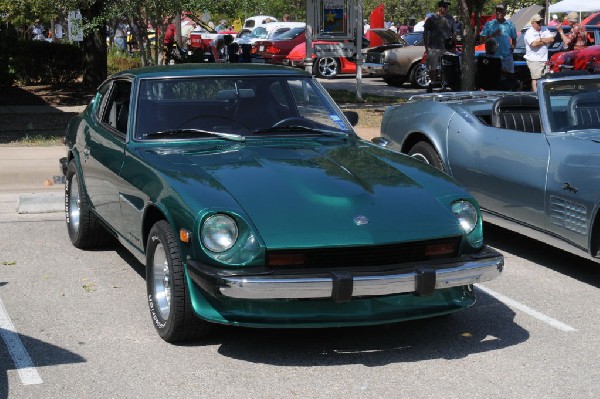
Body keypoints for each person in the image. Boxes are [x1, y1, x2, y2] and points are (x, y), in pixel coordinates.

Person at [423, 2, 456, 92]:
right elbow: (425, 32)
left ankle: (444, 84)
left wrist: (453, 46)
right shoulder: (432, 18)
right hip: (434, 46)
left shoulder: (450, 18)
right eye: (444, 7)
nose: (445, 8)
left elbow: (454, 33)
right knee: (432, 68)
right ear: (439, 8)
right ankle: (431, 83)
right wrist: (426, 47)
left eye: (446, 7)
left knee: (445, 67)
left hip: (446, 47)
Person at [480, 4, 517, 80]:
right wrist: (493, 35)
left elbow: (514, 39)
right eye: (497, 11)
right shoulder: (489, 24)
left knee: (509, 78)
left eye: (501, 11)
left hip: (506, 57)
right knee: (493, 78)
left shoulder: (510, 25)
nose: (499, 13)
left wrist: (512, 49)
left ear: (505, 13)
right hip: (492, 57)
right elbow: (481, 40)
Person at [524, 14, 555, 93]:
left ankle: (545, 94)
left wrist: (540, 39)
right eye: (538, 22)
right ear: (533, 23)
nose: (540, 24)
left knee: (546, 78)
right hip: (534, 59)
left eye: (541, 21)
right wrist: (545, 40)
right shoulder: (529, 32)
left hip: (544, 58)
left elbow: (551, 39)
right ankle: (536, 93)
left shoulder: (544, 29)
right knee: (536, 78)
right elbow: (533, 44)